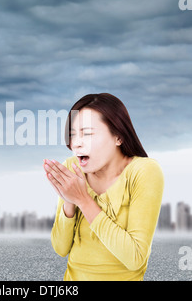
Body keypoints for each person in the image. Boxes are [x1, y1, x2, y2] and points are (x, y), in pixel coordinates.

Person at [43, 93, 164, 281]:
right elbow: (60, 248)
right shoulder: (72, 168)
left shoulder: (144, 171)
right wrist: (69, 201)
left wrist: (83, 200)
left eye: (88, 133)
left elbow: (135, 258)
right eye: (72, 135)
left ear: (118, 137)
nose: (76, 143)